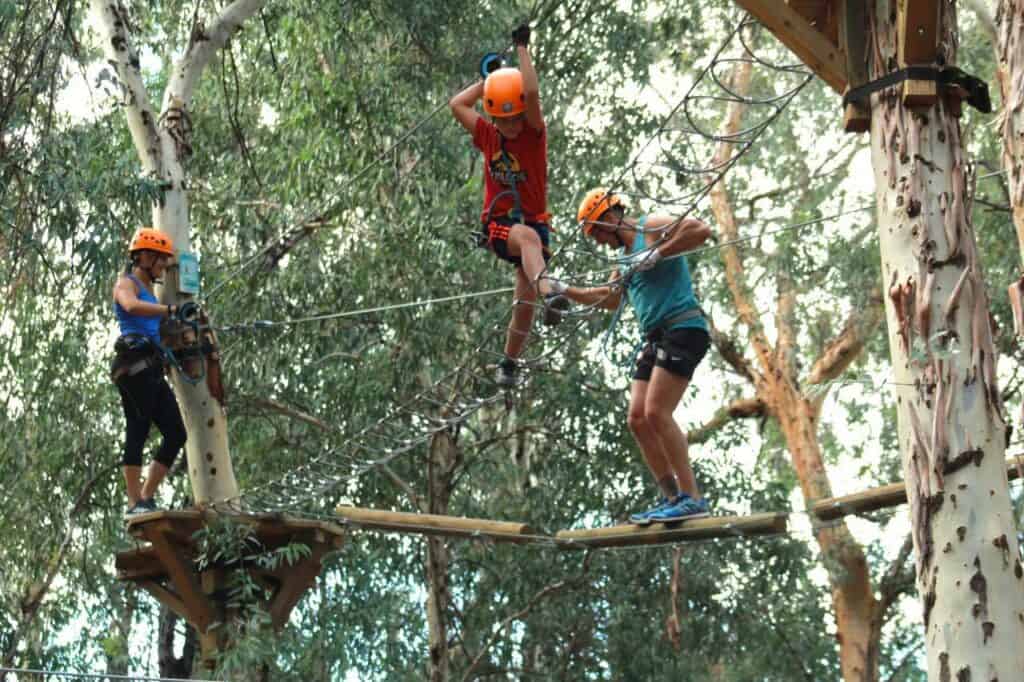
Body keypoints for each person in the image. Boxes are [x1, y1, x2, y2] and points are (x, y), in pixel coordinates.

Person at [562, 188, 713, 523]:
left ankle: (694, 499)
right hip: (657, 337)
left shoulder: (651, 226)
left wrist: (660, 252)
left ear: (610, 217)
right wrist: (565, 290)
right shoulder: (623, 258)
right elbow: (611, 298)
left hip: (683, 328)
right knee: (637, 419)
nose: (600, 241)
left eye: (598, 231)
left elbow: (701, 230)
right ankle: (672, 496)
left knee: (657, 412)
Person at [449, 22, 569, 388]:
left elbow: (531, 94)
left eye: (514, 117)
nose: (511, 125)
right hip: (500, 225)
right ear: (493, 117)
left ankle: (509, 363)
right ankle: (551, 293)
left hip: (535, 224)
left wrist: (522, 50)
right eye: (502, 119)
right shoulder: (488, 135)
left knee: (523, 301)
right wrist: (490, 80)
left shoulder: (533, 136)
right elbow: (457, 104)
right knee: (528, 242)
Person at [111, 227, 187, 517]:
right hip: (134, 365)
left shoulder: (153, 296)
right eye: (161, 260)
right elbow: (129, 305)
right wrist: (168, 310)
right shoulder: (125, 284)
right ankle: (133, 503)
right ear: (144, 256)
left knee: (176, 433)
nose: (164, 266)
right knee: (138, 428)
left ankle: (145, 498)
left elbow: (155, 324)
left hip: (151, 366)